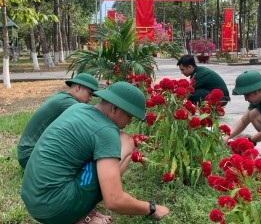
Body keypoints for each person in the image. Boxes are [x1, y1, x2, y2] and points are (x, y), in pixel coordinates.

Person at [20, 82, 170, 224]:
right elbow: (114, 201)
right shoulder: (106, 132)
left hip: (32, 201)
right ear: (114, 108)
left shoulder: (77, 108)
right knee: (126, 141)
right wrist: (152, 209)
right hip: (56, 209)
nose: (130, 122)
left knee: (108, 153)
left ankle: (84, 208)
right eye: (130, 116)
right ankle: (79, 215)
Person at [17, 73, 99, 169]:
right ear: (78, 87)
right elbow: (94, 119)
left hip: (29, 154)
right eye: (89, 93)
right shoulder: (67, 103)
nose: (90, 99)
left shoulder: (62, 97)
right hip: (30, 156)